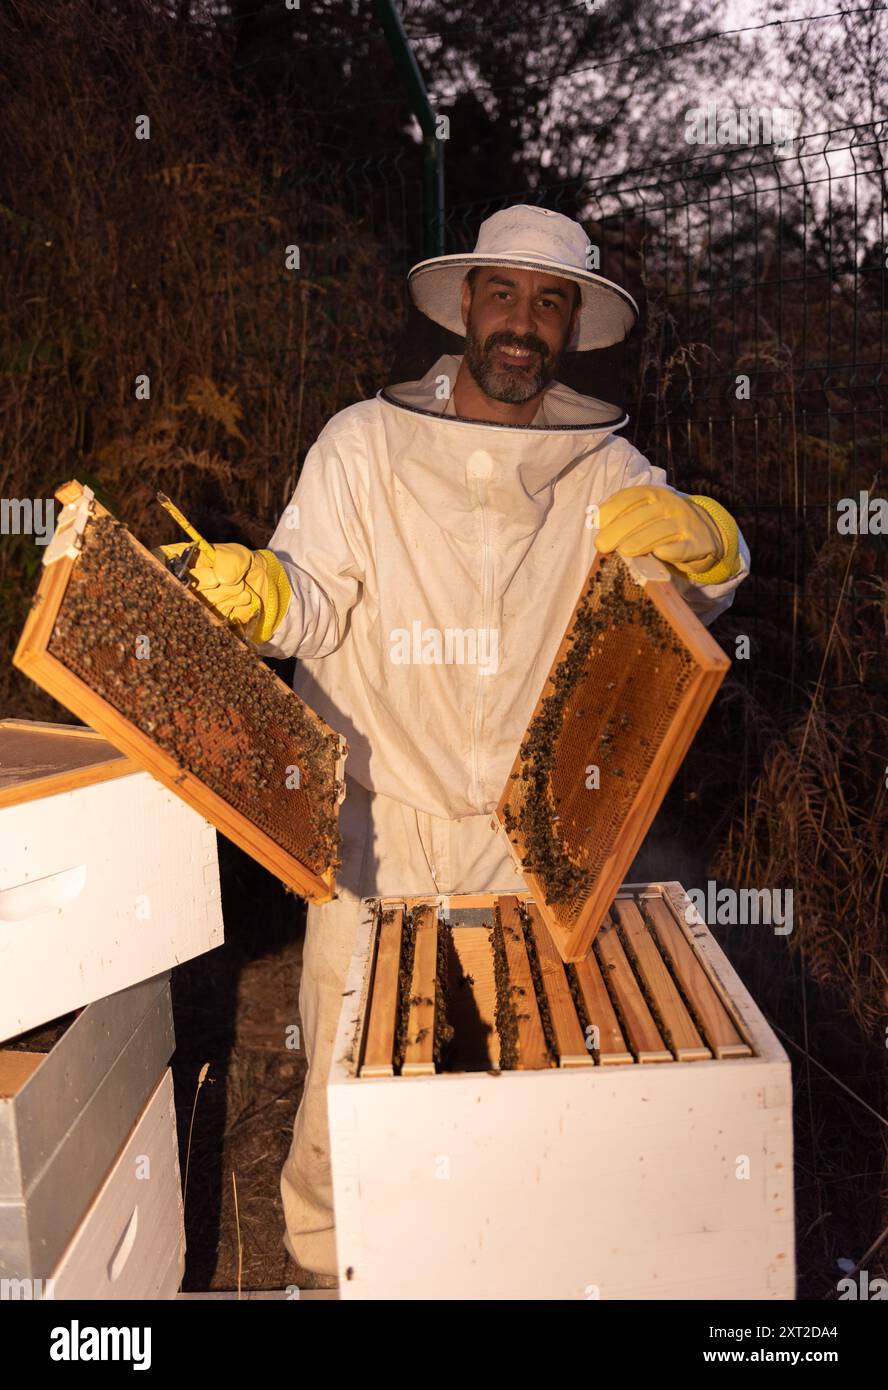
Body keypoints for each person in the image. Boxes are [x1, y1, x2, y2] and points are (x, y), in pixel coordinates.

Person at [159, 205, 750, 1286]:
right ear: (467, 303)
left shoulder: (607, 469)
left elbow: (699, 591)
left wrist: (713, 542)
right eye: (506, 294)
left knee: (513, 1082)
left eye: (551, 300)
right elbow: (312, 598)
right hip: (374, 821)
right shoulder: (364, 442)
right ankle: (327, 1269)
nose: (524, 322)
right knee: (348, 1087)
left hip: (527, 833)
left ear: (572, 327)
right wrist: (262, 591)